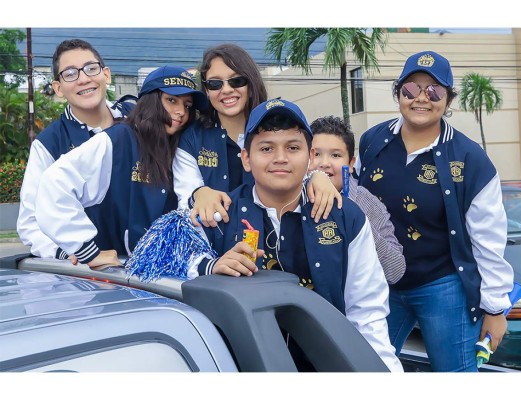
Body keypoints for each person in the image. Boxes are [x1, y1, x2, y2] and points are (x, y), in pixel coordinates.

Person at [186, 98, 403, 372]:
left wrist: (382, 373)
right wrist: (210, 267)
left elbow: (367, 308)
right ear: (246, 158)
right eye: (266, 148)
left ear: (310, 157)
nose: (280, 158)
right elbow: (158, 265)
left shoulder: (345, 216)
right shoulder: (219, 215)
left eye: (293, 147)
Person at [354, 50, 514, 372]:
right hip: (380, 285)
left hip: (443, 286)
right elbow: (354, 202)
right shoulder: (372, 141)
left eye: (434, 91)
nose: (421, 99)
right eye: (411, 89)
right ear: (399, 93)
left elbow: (488, 238)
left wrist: (495, 309)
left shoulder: (470, 159)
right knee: (364, 369)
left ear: (449, 99)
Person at [34, 65, 208, 268]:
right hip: (114, 280)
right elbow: (54, 183)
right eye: (171, 100)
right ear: (150, 102)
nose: (181, 112)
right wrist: (87, 251)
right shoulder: (118, 139)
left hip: (165, 278)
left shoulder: (180, 147)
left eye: (187, 105)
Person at [172, 43, 340, 228]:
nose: (226, 90)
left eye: (236, 81)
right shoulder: (192, 138)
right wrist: (198, 193)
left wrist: (317, 176)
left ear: (251, 83)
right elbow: (186, 198)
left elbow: (298, 171)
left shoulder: (277, 123)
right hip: (214, 247)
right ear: (206, 90)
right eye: (215, 83)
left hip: (276, 241)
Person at [17, 38, 135, 260]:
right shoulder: (49, 143)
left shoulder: (137, 117)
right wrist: (68, 254)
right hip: (90, 276)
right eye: (70, 74)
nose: (83, 79)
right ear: (58, 88)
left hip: (155, 269)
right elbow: (30, 222)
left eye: (91, 69)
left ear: (106, 75)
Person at [310, 116, 406, 284]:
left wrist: (356, 218)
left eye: (335, 155)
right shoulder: (294, 197)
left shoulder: (367, 202)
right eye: (317, 154)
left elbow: (395, 271)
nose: (324, 163)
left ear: (351, 163)